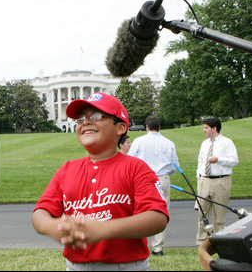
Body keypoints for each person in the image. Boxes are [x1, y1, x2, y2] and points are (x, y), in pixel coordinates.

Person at [32, 92, 169, 271]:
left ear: (120, 128)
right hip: (76, 266)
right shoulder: (67, 169)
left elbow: (157, 218)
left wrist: (105, 229)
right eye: (80, 119)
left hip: (126, 266)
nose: (86, 122)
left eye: (96, 116)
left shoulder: (136, 167)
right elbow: (40, 212)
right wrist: (53, 226)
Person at [127, 115, 179, 256]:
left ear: (147, 127)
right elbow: (175, 166)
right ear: (159, 127)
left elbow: (130, 161)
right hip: (162, 178)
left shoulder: (138, 141)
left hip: (142, 179)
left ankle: (139, 244)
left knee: (139, 210)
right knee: (162, 211)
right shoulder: (169, 143)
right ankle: (158, 247)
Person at [195, 117, 238, 245]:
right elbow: (201, 161)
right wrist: (199, 175)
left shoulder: (227, 142)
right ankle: (202, 241)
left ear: (214, 128)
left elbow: (234, 161)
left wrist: (218, 160)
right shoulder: (204, 143)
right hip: (204, 180)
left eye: (206, 128)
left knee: (219, 215)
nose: (204, 130)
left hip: (221, 181)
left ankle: (220, 241)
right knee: (203, 213)